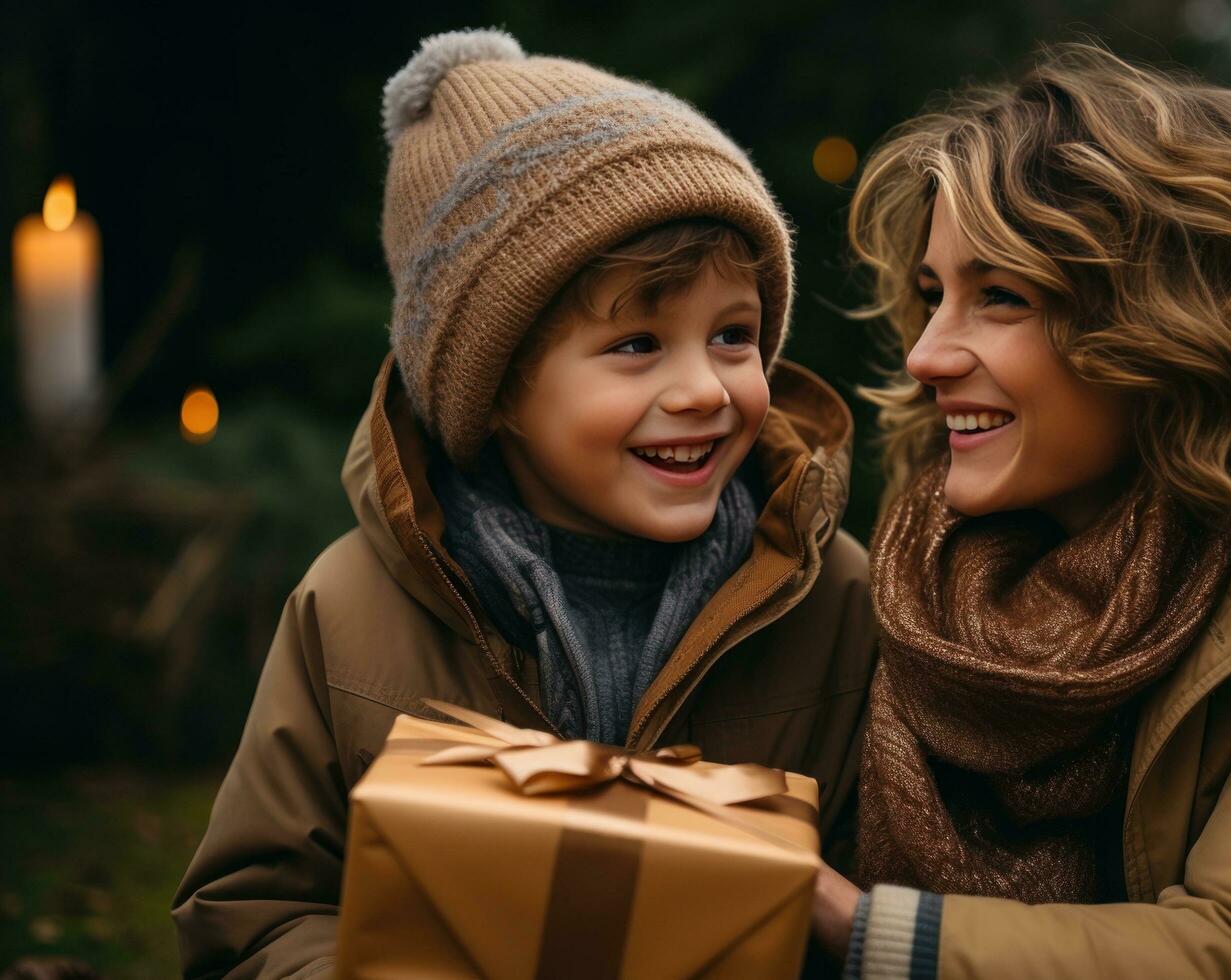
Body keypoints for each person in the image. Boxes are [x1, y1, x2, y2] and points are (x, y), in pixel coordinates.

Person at [173, 28, 876, 978]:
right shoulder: (349, 612)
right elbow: (252, 912)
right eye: (637, 344)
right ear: (497, 388)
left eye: (734, 335)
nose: (706, 389)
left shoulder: (830, 596)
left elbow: (884, 904)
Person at [813, 43, 1231, 979]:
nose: (925, 355)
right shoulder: (936, 569)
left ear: (1174, 322)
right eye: (932, 296)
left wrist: (851, 924)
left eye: (999, 296)